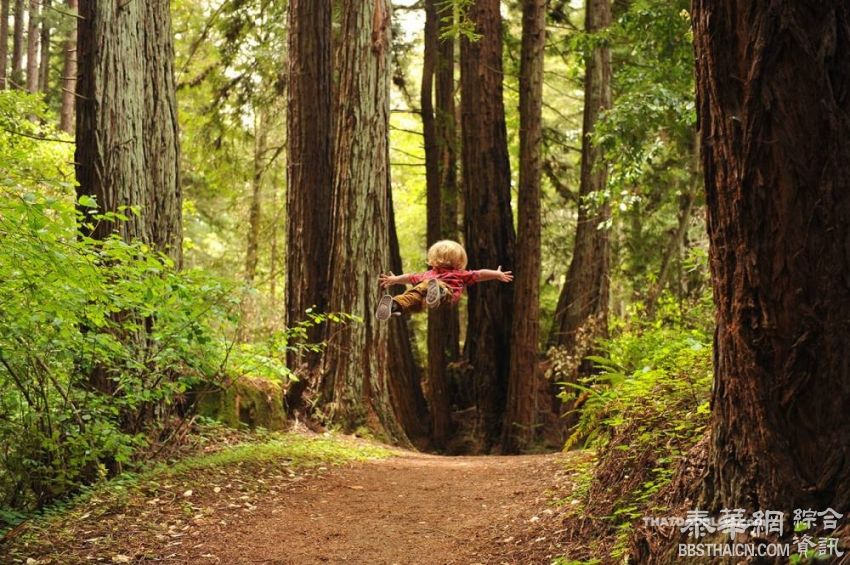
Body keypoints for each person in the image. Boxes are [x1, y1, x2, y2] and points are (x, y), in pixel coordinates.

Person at [375, 239, 513, 320]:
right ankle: (394, 305)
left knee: (427, 287)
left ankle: (437, 292)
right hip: (426, 299)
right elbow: (479, 274)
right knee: (413, 298)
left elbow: (409, 277)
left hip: (447, 294)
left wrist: (496, 274)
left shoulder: (454, 274)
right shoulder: (440, 274)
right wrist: (394, 279)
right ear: (460, 260)